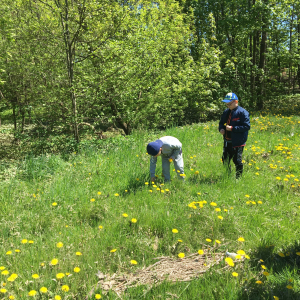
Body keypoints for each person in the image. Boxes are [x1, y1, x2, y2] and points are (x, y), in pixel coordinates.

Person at [218, 93, 250, 179]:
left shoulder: (243, 112)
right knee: (225, 159)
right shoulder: (226, 112)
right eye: (226, 103)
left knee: (237, 160)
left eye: (229, 103)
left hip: (238, 142)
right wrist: (221, 129)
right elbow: (221, 123)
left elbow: (246, 126)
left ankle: (238, 178)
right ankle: (227, 176)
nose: (227, 105)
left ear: (236, 101)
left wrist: (232, 128)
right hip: (227, 140)